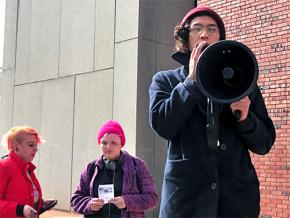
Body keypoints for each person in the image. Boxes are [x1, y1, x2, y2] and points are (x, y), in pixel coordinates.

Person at [148, 5, 276, 218]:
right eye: (196, 29)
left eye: (212, 29)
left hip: (236, 203)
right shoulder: (166, 81)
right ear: (185, 38)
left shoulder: (242, 82)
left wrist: (245, 118)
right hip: (186, 203)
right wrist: (190, 83)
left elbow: (264, 143)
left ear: (221, 37)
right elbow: (162, 125)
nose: (205, 34)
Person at [71, 120, 158, 218]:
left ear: (121, 144)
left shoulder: (137, 165)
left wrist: (127, 202)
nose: (108, 147)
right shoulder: (91, 168)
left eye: (113, 143)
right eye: (104, 143)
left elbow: (152, 198)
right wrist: (89, 204)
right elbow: (75, 200)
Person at [0, 126, 45, 218]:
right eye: (31, 145)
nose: (36, 149)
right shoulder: (4, 166)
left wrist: (40, 203)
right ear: (16, 146)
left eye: (36, 145)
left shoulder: (28, 169)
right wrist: (20, 209)